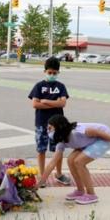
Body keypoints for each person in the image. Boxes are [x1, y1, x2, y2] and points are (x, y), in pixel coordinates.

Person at [39, 115, 110, 205]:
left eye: (50, 128)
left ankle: (91, 194)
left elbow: (99, 133)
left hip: (103, 138)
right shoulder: (61, 141)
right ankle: (80, 190)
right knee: (70, 160)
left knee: (79, 162)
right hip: (88, 141)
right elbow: (52, 163)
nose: (48, 131)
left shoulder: (78, 132)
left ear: (59, 127)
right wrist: (40, 182)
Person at [28, 57, 71, 187]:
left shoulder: (60, 86)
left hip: (58, 125)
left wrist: (45, 101)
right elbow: (35, 104)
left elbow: (63, 103)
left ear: (58, 72)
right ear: (45, 71)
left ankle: (58, 173)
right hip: (42, 123)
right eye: (50, 72)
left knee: (58, 150)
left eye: (54, 73)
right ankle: (43, 176)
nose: (52, 75)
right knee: (41, 150)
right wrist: (55, 104)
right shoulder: (39, 86)